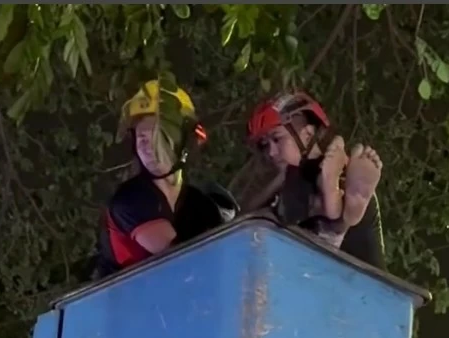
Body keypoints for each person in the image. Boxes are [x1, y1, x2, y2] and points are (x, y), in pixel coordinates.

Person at [99, 81, 231, 276]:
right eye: (141, 137)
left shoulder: (200, 204)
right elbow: (183, 263)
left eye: (157, 136)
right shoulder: (130, 200)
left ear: (183, 140)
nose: (147, 146)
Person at [245, 92, 387, 270]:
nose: (271, 152)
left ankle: (334, 208)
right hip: (350, 279)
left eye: (277, 139)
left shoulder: (303, 181)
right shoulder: (286, 186)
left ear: (307, 134)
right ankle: (333, 208)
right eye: (265, 145)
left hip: (341, 274)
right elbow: (246, 223)